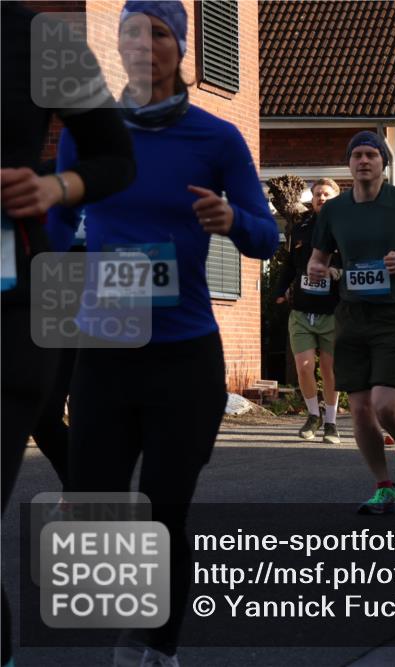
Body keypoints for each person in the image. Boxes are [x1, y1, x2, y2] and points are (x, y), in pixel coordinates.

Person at [52, 3, 278, 665]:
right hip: (105, 349)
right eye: (131, 31)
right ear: (116, 46)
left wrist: (231, 215)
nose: (143, 43)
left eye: (158, 32)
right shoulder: (86, 135)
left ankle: (156, 647)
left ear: (179, 48)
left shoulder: (216, 139)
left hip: (184, 357)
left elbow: (266, 237)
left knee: (164, 509)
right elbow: (61, 239)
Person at [2, 4, 135, 664]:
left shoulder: (40, 40)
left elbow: (116, 159)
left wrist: (55, 187)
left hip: (24, 303)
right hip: (46, 283)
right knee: (51, 415)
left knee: (71, 403)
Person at [308, 130, 395, 514]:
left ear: (383, 163)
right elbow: (317, 258)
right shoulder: (334, 210)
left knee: (386, 406)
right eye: (357, 155)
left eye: (371, 154)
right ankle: (383, 486)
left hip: (393, 313)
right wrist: (318, 268)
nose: (364, 160)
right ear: (349, 163)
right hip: (351, 315)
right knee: (361, 409)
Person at [274, 178, 342, 443]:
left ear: (336, 198)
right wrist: (279, 291)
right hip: (302, 310)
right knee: (304, 367)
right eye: (316, 194)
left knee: (329, 370)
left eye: (326, 194)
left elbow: (353, 267)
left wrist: (332, 272)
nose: (321, 198)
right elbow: (289, 264)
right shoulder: (300, 227)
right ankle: (313, 414)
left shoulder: (345, 228)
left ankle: (331, 421)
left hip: (332, 311)